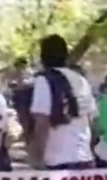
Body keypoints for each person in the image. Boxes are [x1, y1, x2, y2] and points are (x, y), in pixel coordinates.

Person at [28, 35, 97, 170]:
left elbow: (42, 123)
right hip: (84, 158)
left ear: (43, 56)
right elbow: (92, 121)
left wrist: (38, 156)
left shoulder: (44, 80)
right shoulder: (81, 80)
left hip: (57, 160)